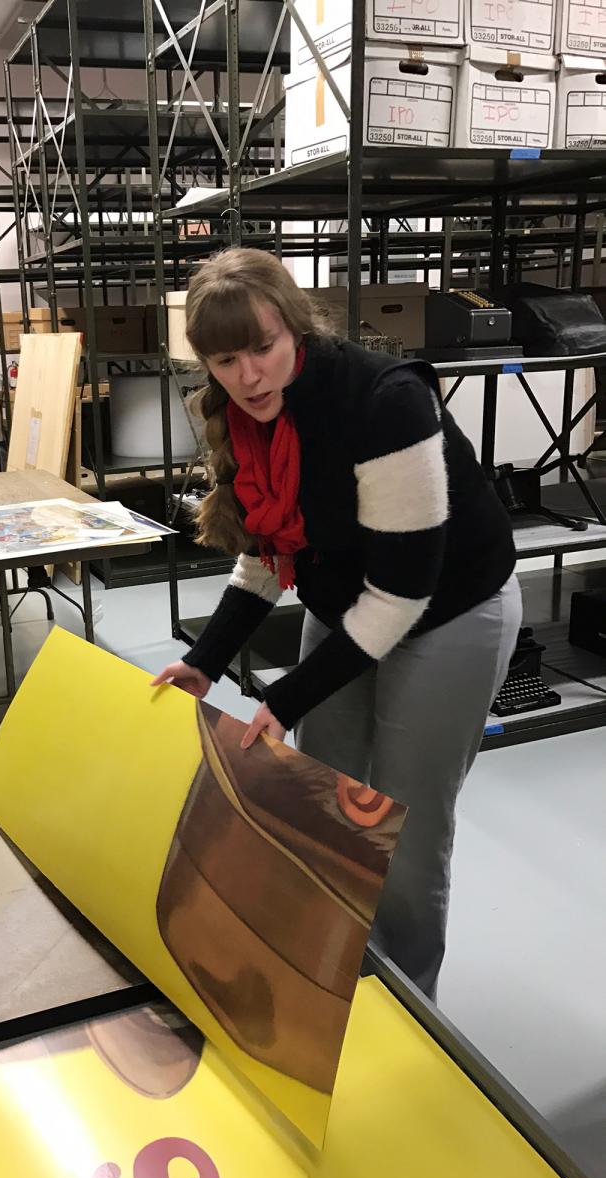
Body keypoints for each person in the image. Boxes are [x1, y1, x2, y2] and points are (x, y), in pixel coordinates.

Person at [153, 248, 521, 998]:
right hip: (350, 604)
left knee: (403, 827)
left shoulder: (383, 402)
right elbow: (267, 547)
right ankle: (331, 975)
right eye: (225, 359)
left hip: (446, 612)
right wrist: (209, 657)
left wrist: (284, 699)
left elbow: (402, 595)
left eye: (263, 349)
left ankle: (405, 999)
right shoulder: (240, 414)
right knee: (327, 801)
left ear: (297, 329)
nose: (248, 375)